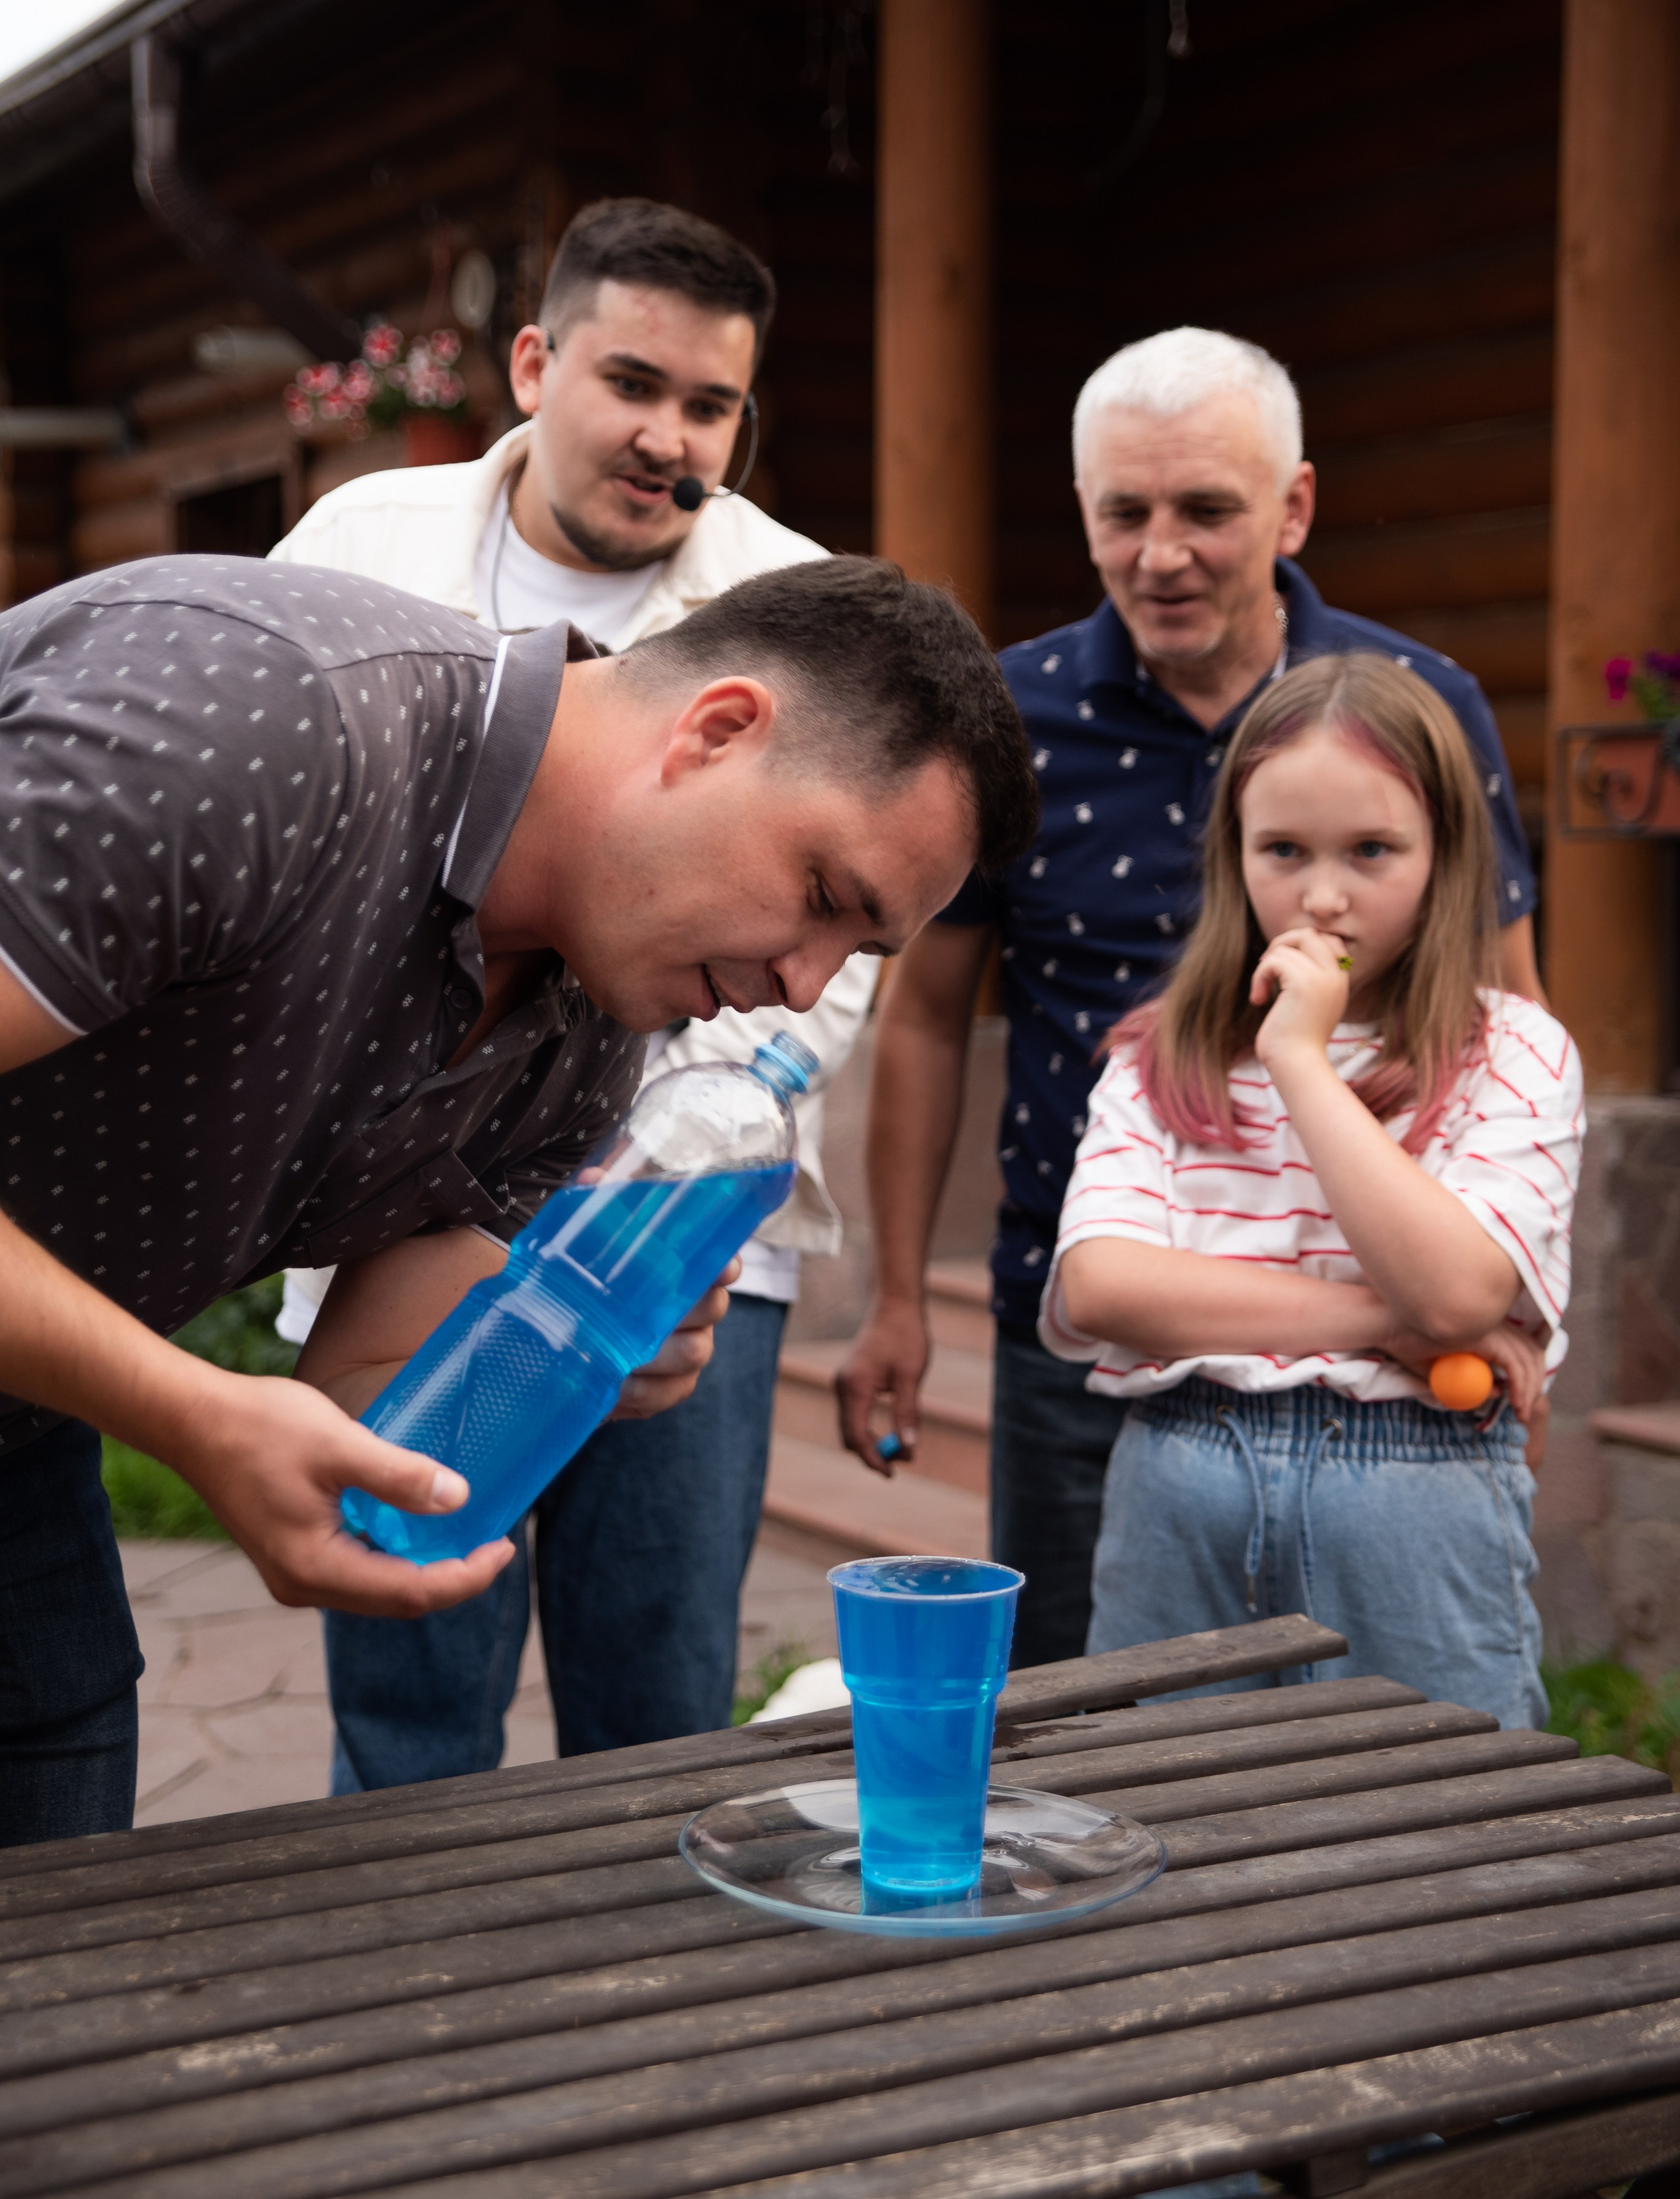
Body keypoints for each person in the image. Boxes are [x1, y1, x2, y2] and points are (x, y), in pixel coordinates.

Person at [0, 551, 1036, 1845]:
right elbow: (235, 1416)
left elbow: (361, 1410)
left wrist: (571, 1335)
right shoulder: (270, 720)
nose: (803, 982)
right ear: (716, 730)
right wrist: (193, 1410)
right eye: (823, 897)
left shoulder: (594, 1029)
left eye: (856, 953)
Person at [270, 197, 878, 1776]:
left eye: (711, 406)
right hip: (395, 1202)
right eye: (632, 384)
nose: (669, 437)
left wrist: (652, 1160)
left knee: (658, 1682)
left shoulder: (805, 607)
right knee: (407, 1663)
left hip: (676, 1242)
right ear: (535, 363)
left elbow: (829, 963)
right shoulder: (357, 543)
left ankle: (640, 2013)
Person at [837, 327, 1544, 1668]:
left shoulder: (1420, 708)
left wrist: (1517, 1296)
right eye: (1124, 512)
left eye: (1205, 511)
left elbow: (1503, 1004)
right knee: (1082, 1712)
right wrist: (891, 1297)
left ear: (1292, 506)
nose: (1159, 553)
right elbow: (923, 1015)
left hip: (1383, 1339)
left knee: (1388, 1726)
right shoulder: (1008, 714)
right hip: (1093, 1314)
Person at [1040, 651, 1582, 1731]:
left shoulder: (1516, 1052)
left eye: (1373, 851)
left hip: (1416, 1495)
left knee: (1446, 1829)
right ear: (1232, 854)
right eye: (1283, 851)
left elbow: (1460, 1288)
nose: (1323, 896)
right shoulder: (1160, 1052)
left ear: (1445, 856)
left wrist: (1298, 1055)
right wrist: (1394, 1327)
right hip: (1180, 1477)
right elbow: (1101, 1285)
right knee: (1169, 1809)